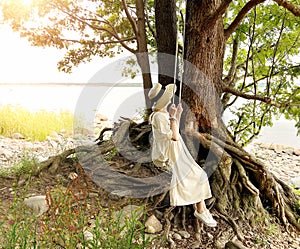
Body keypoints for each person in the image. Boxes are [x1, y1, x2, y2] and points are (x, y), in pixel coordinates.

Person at [148, 83, 217, 227]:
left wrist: (176, 115)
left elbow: (175, 131)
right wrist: (173, 118)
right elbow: (174, 136)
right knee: (195, 175)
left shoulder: (163, 114)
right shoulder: (159, 117)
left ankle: (201, 208)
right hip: (167, 153)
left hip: (175, 149)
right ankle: (200, 209)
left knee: (199, 174)